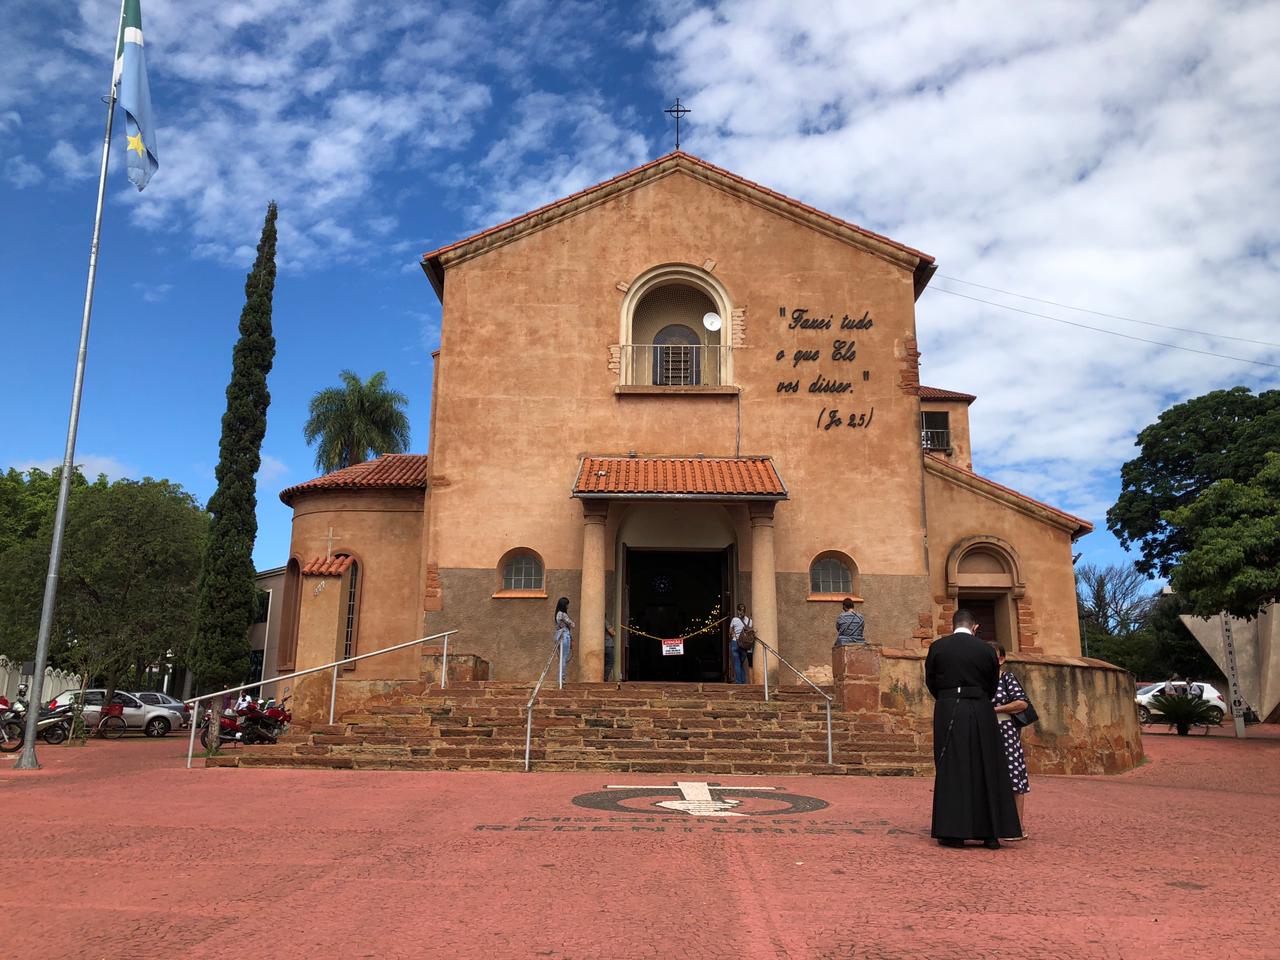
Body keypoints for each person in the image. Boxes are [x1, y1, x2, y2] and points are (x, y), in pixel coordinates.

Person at [925, 609, 1021, 849]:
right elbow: (992, 683)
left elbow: (931, 681)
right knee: (986, 765)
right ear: (975, 627)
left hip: (948, 707)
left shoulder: (938, 647)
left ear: (953, 624)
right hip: (980, 707)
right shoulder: (987, 650)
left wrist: (948, 697)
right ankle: (990, 833)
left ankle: (953, 832)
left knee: (951, 766)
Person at [989, 643, 1030, 840]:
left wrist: (995, 710)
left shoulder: (1007, 678)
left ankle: (1017, 826)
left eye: (994, 656)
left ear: (1002, 659)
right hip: (985, 731)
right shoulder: (979, 680)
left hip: (1005, 731)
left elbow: (1022, 703)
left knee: (1014, 776)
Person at [728, 604, 753, 684]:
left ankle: (739, 682)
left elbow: (730, 632)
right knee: (741, 664)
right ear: (745, 611)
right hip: (745, 645)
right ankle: (743, 681)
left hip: (735, 643)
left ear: (738, 611)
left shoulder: (734, 619)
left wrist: (733, 634)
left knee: (737, 663)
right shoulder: (750, 621)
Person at [554, 597, 574, 686]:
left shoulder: (557, 614)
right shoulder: (562, 614)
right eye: (567, 605)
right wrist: (571, 623)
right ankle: (562, 679)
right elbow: (572, 624)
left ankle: (560, 679)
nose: (568, 606)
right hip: (565, 636)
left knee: (562, 658)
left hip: (560, 635)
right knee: (564, 658)